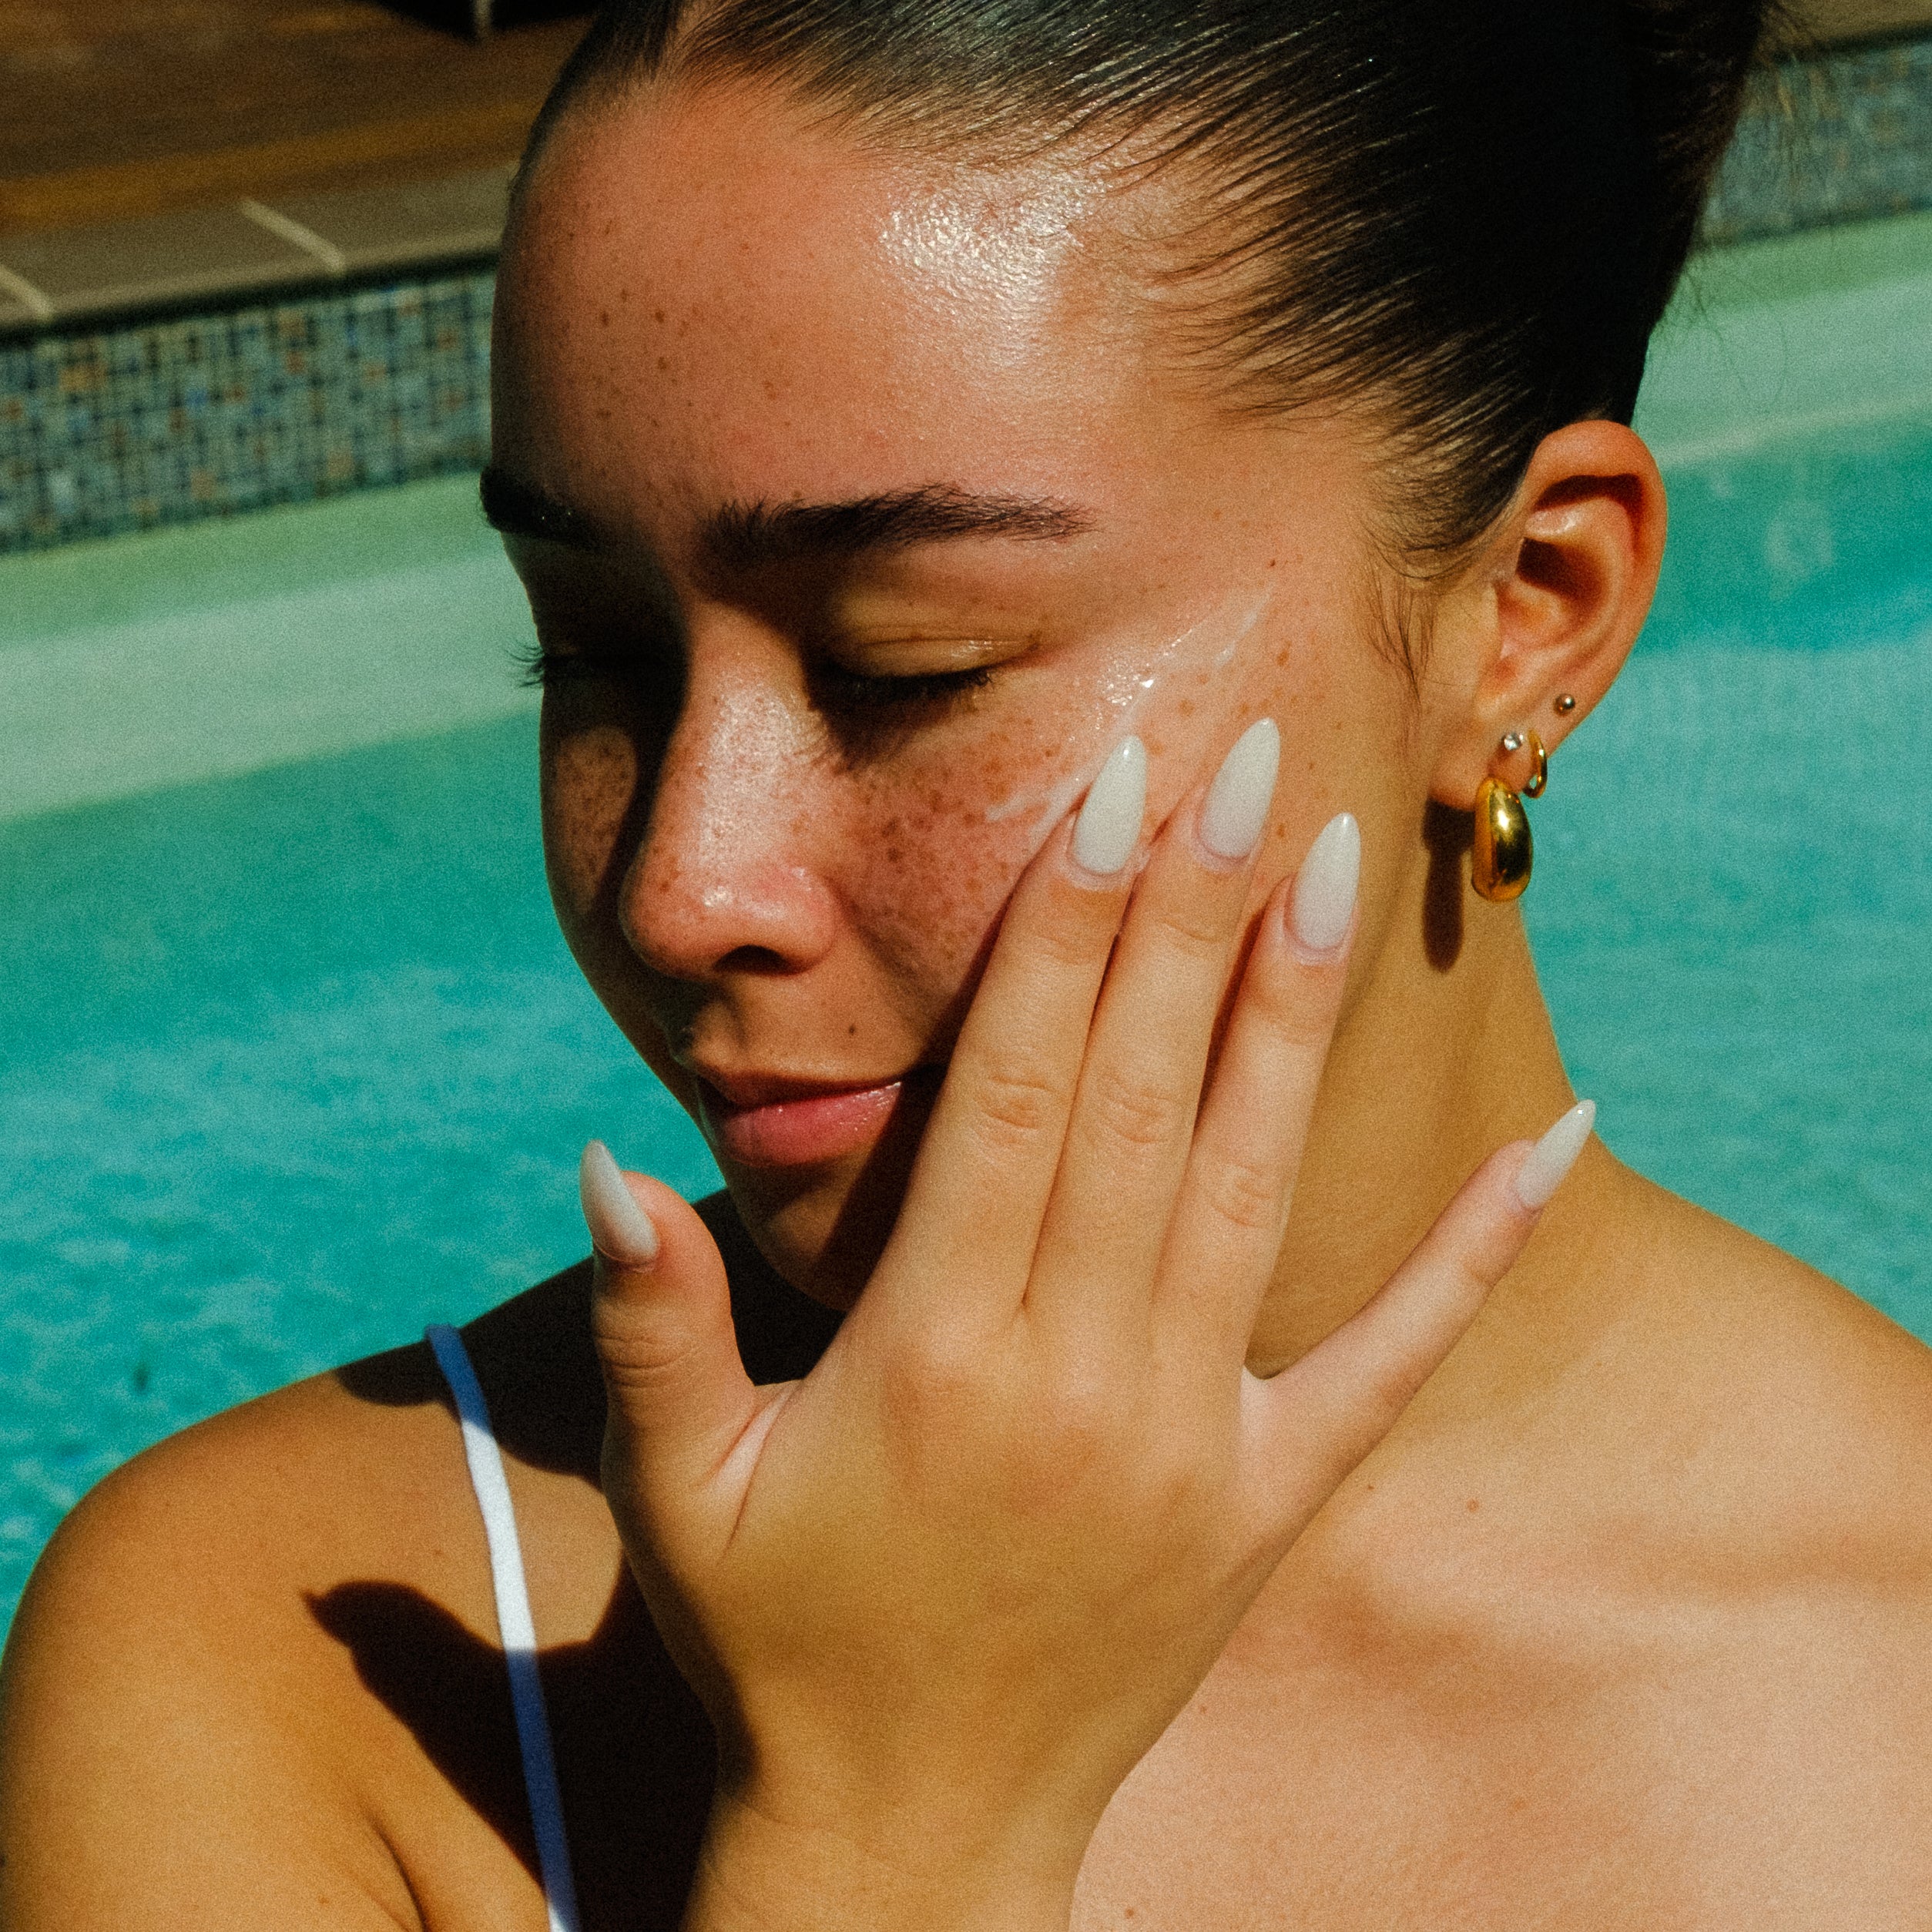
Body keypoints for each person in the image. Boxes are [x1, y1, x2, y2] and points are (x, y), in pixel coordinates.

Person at [5, 1, 1930, 1925]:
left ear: (1528, 613)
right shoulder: (294, 1663)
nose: (683, 886)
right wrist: (882, 1834)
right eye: (586, 649)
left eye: (905, 667)